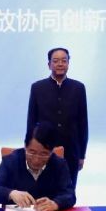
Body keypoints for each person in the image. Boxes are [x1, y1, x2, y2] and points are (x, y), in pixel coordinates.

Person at [27, 47, 88, 188]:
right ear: (49, 64)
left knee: (68, 190)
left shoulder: (78, 88)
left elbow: (83, 123)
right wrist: (30, 150)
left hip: (71, 150)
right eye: (55, 61)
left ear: (68, 63)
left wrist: (81, 155)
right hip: (44, 149)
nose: (60, 64)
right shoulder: (37, 88)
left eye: (63, 60)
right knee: (43, 189)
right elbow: (31, 121)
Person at [0, 122, 76, 211]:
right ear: (25, 146)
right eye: (32, 152)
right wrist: (10, 193)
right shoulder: (11, 161)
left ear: (51, 151)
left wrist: (56, 203)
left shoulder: (59, 164)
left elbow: (70, 195)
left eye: (44, 154)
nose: (36, 160)